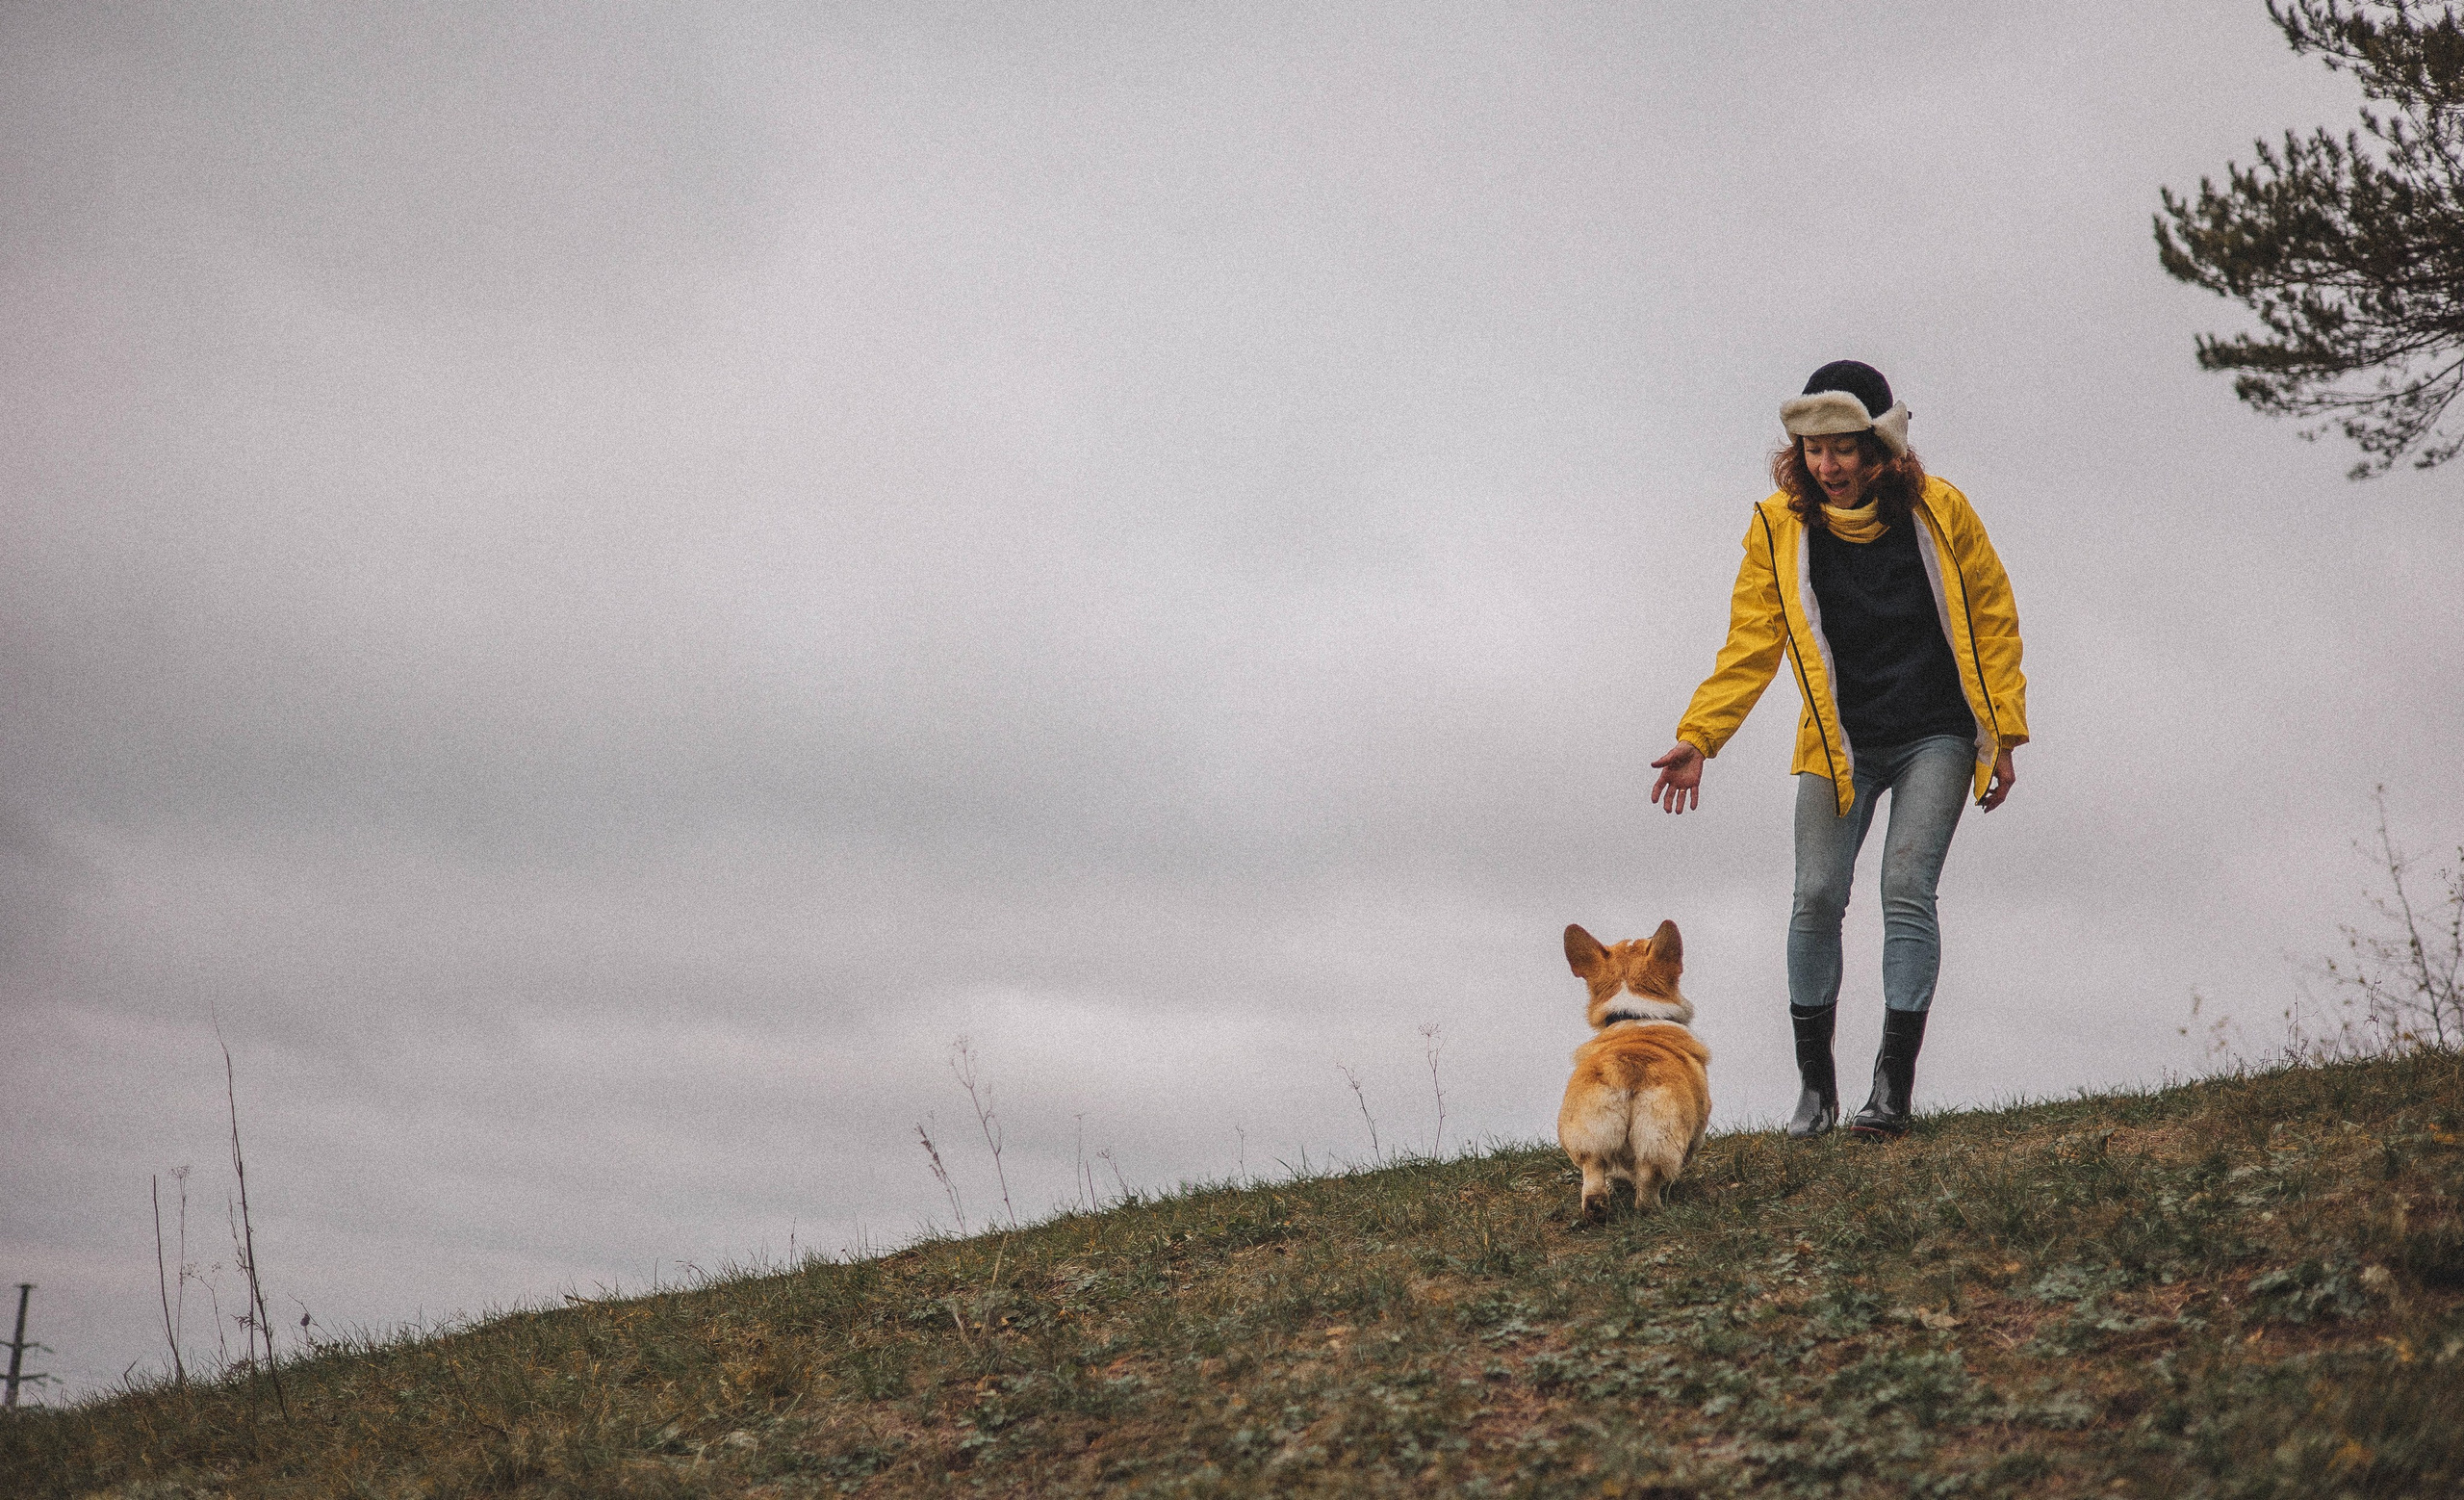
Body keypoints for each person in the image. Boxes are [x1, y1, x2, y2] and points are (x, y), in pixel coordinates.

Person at [1647, 361, 2028, 1141]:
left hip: (1937, 733)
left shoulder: (1940, 511)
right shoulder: (1777, 528)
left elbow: (1992, 616)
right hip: (1839, 741)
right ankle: (1815, 1094)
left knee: (1904, 889)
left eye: (1845, 449)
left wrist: (2006, 735)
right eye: (1814, 450)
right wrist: (1700, 737)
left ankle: (1891, 1091)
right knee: (1816, 894)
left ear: (1881, 449)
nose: (1829, 466)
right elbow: (1751, 642)